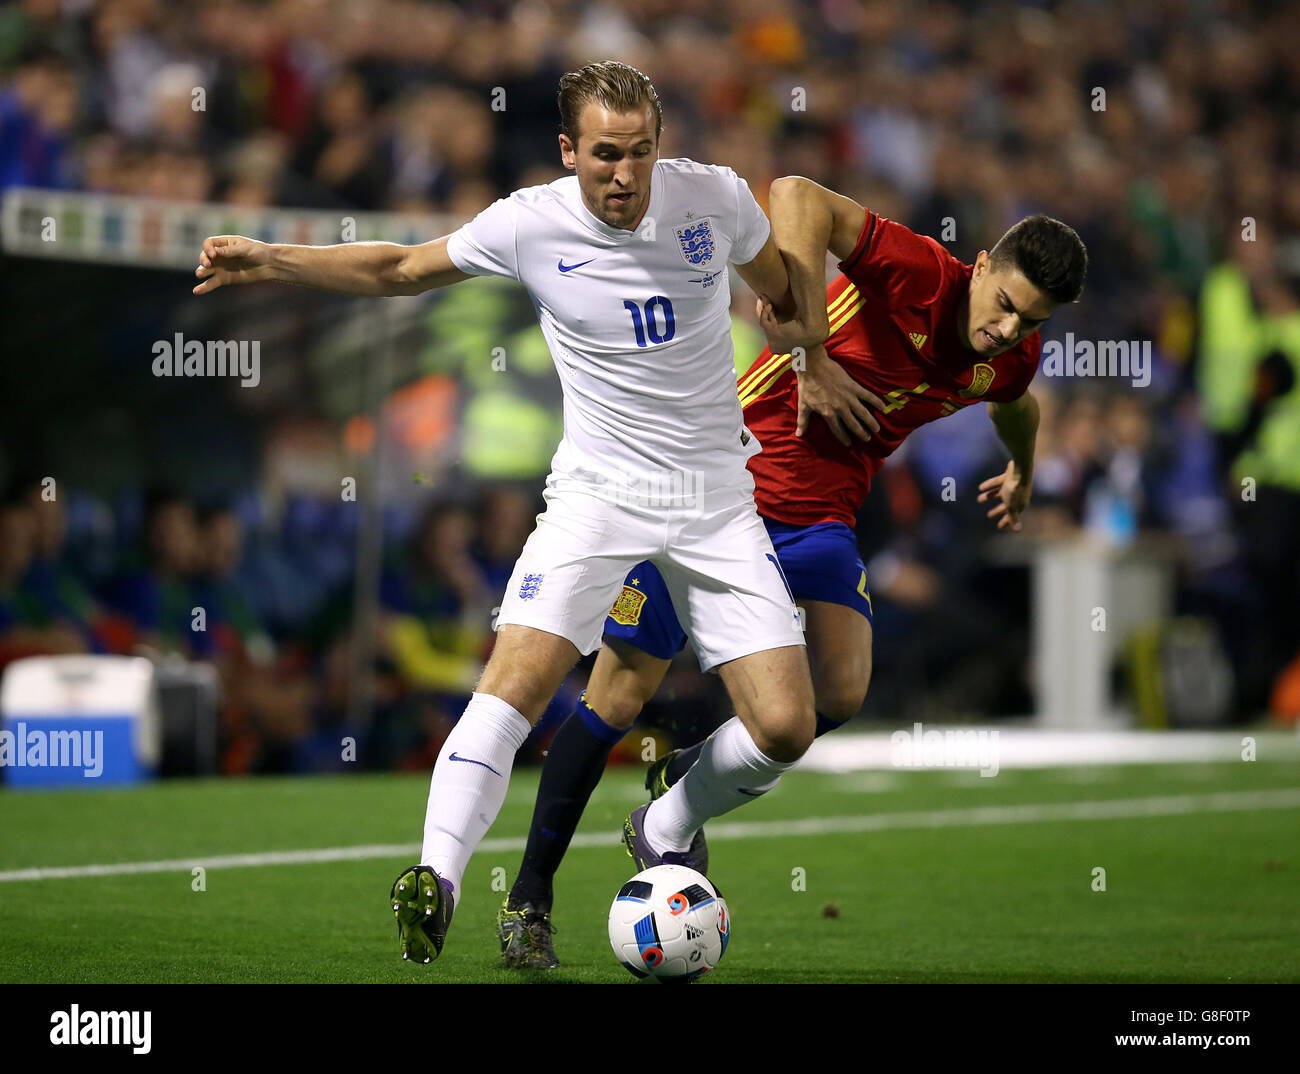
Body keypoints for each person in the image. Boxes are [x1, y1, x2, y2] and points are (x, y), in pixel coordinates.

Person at [193, 61, 865, 966]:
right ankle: (437, 876)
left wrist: (808, 343)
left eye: (639, 154)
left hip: (716, 503)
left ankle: (665, 818)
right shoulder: (528, 221)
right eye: (603, 156)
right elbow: (398, 269)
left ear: (661, 148)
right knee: (516, 680)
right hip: (598, 499)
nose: (623, 175)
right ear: (568, 152)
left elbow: (782, 283)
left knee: (787, 725)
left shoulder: (711, 200)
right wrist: (274, 259)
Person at [497, 177, 1088, 969]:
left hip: (820, 523)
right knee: (614, 697)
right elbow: (796, 195)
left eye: (1029, 321)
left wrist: (1021, 470)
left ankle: (678, 792)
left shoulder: (1011, 356)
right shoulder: (917, 273)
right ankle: (529, 900)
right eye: (1005, 303)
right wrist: (810, 348)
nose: (1005, 328)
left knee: (832, 698)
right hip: (717, 498)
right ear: (981, 264)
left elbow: (1018, 404)